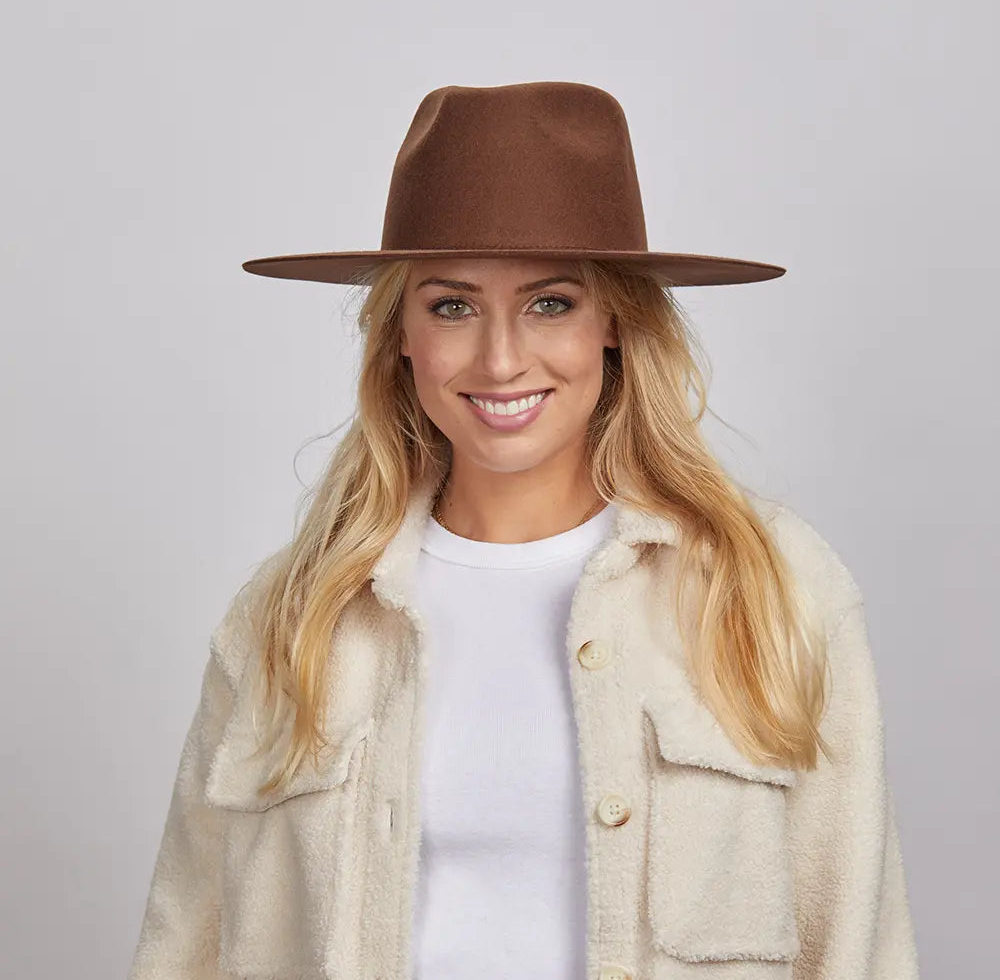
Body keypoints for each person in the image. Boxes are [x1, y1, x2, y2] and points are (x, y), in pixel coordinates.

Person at [128, 82, 920, 980]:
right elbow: (186, 939)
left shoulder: (772, 587)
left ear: (615, 322)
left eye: (551, 303)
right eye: (452, 306)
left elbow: (860, 937)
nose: (502, 359)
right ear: (399, 335)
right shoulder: (292, 616)